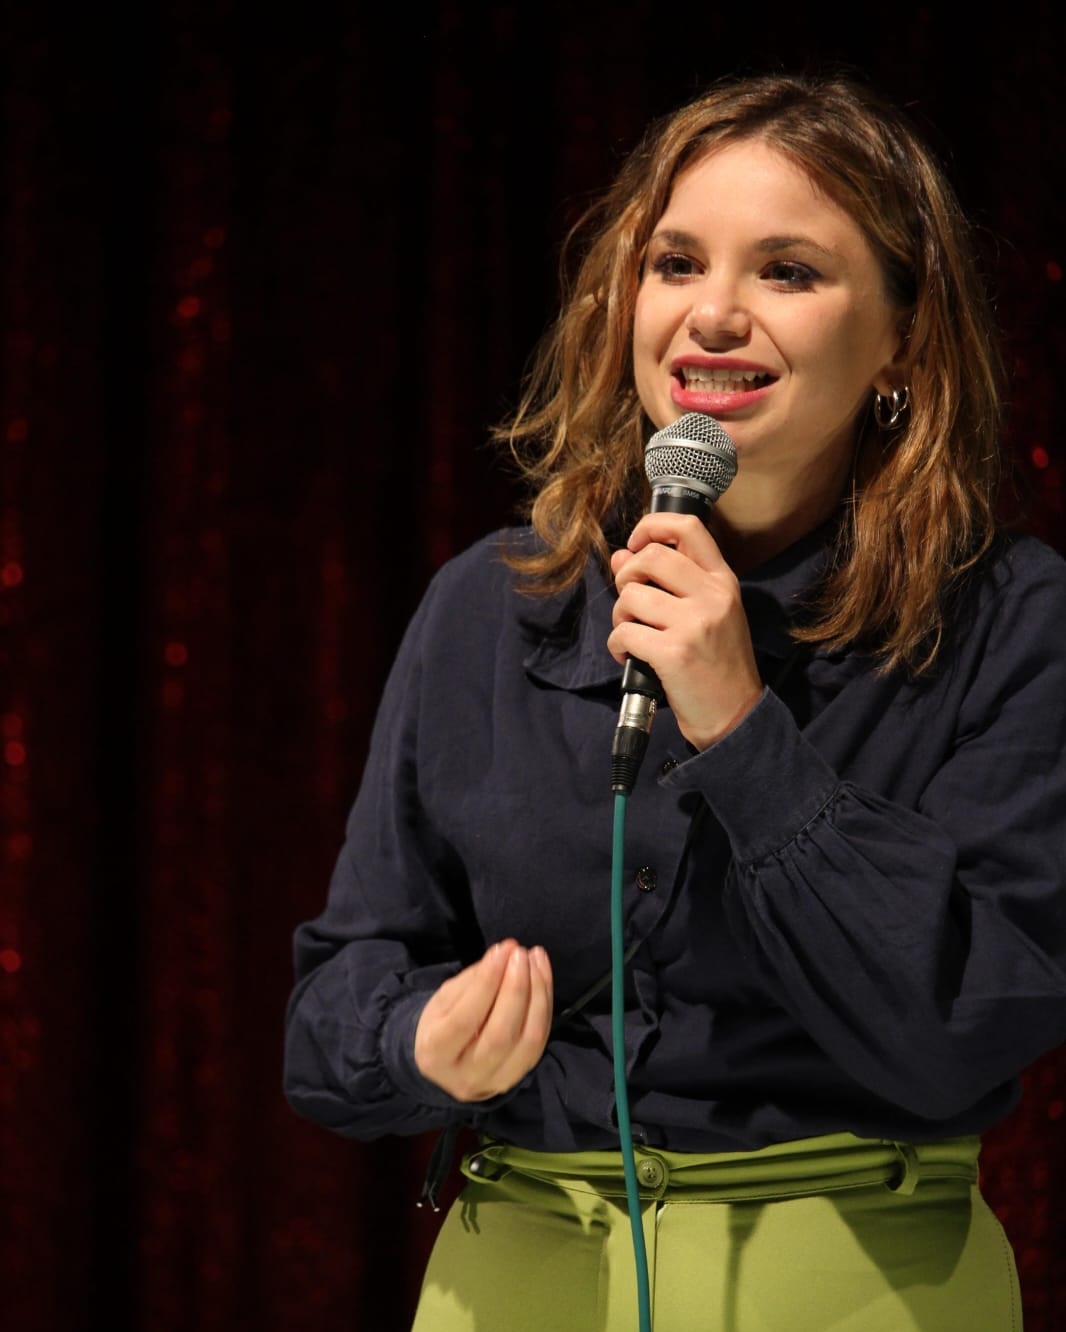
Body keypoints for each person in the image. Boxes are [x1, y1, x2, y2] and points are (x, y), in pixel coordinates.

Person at [283, 70, 1066, 1331]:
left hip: (853, 1280)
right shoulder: (489, 605)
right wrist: (418, 1044)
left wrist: (744, 728)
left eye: (787, 273)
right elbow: (332, 1006)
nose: (711, 316)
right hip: (517, 1267)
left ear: (903, 340)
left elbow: (960, 1029)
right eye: (674, 263)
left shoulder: (1012, 621)